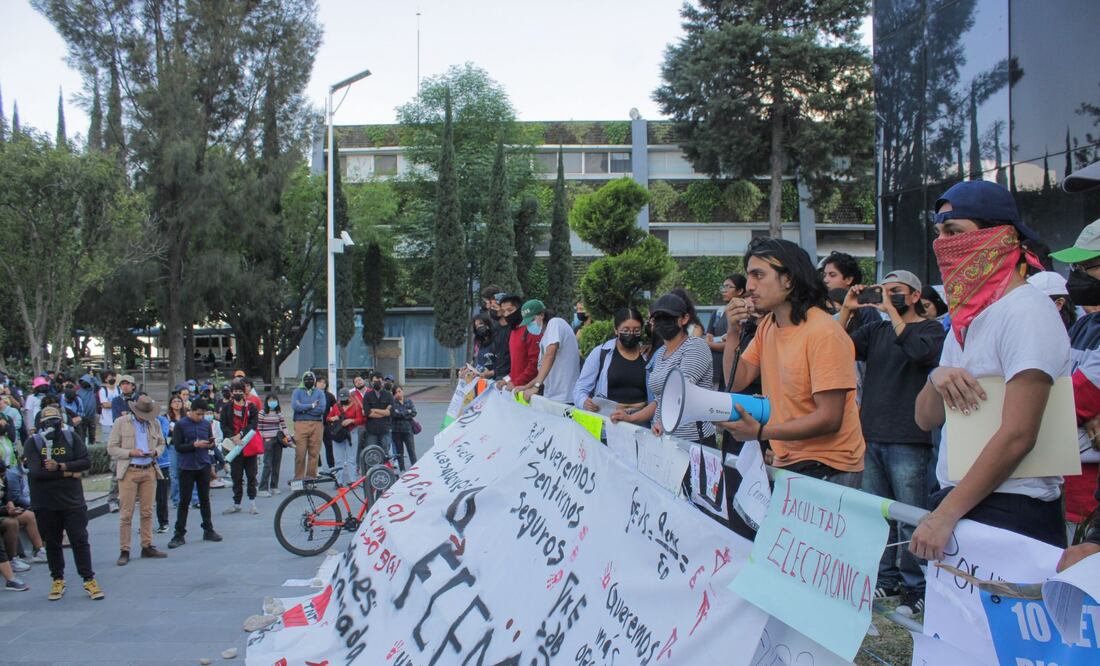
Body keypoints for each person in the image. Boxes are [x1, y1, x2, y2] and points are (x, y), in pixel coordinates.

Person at [911, 180, 1069, 563]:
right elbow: (925, 417)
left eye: (954, 232)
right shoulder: (965, 321)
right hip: (961, 498)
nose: (943, 245)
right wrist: (938, 376)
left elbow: (1018, 434)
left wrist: (945, 515)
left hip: (1012, 507)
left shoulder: (1026, 311)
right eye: (939, 234)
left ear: (1003, 237)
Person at [839, 270, 946, 616]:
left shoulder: (929, 329)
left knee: (911, 516)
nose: (887, 297)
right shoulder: (876, 330)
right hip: (871, 434)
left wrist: (894, 313)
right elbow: (835, 347)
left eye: (896, 292)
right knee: (877, 514)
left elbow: (919, 354)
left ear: (915, 296)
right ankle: (887, 578)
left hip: (909, 438)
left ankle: (918, 588)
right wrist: (847, 310)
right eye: (882, 292)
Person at [723, 237, 866, 488]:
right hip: (788, 460)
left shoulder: (824, 332)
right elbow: (736, 381)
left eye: (758, 275)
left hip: (829, 467)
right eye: (748, 276)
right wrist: (733, 331)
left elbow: (829, 418)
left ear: (788, 279)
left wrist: (760, 433)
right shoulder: (768, 325)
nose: (750, 286)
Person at [611, 293, 716, 445]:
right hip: (664, 439)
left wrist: (663, 422)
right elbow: (659, 401)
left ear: (684, 319)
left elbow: (683, 392)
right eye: (657, 319)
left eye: (668, 318)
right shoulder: (660, 353)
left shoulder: (695, 346)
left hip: (694, 441)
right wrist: (631, 418)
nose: (661, 323)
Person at [24, 405, 100, 597]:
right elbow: (36, 473)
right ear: (40, 423)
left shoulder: (70, 437)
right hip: (45, 503)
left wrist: (61, 467)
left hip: (72, 501)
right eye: (47, 422)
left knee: (80, 540)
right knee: (52, 542)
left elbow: (85, 462)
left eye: (55, 421)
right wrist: (70, 474)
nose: (52, 425)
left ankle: (89, 579)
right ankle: (57, 579)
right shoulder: (33, 443)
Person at [108, 395, 169, 565]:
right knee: (126, 513)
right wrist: (130, 453)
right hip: (129, 470)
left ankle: (147, 545)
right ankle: (124, 549)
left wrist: (155, 452)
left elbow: (162, 444)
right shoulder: (121, 422)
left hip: (149, 468)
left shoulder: (154, 423)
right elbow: (111, 448)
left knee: (147, 511)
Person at [168, 399, 222, 548]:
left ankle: (208, 529)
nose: (200, 417)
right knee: (184, 501)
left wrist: (210, 444)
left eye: (203, 414)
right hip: (187, 466)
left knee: (205, 499)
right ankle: (179, 534)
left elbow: (211, 442)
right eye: (198, 414)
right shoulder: (181, 425)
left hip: (203, 464)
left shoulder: (205, 424)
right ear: (191, 411)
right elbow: (178, 446)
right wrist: (194, 445)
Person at [574, 307, 649, 413]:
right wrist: (584, 402)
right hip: (609, 418)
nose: (631, 334)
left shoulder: (647, 355)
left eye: (636, 330)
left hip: (641, 420)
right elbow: (581, 387)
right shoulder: (601, 353)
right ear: (616, 330)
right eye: (625, 330)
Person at [514, 300, 582, 404]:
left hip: (565, 398)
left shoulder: (555, 323)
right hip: (552, 397)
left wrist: (536, 387)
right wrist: (527, 386)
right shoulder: (545, 338)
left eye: (531, 320)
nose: (529, 326)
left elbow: (550, 355)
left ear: (541, 315)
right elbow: (544, 371)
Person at [220, 380, 261, 515]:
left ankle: (253, 503)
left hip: (248, 444)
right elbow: (223, 425)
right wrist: (232, 437)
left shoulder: (251, 407)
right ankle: (236, 503)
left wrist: (241, 435)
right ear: (231, 393)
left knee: (251, 474)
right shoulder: (226, 408)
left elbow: (253, 424)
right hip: (234, 446)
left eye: (240, 391)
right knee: (236, 475)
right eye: (235, 391)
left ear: (245, 392)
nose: (238, 393)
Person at [821, 251, 881, 331]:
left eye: (832, 275)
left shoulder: (864, 307)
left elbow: (875, 337)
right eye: (824, 275)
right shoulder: (818, 304)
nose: (825, 280)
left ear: (849, 279)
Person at [706, 274, 747, 389]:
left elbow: (737, 344)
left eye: (729, 287)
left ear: (740, 291)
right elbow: (709, 335)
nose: (724, 290)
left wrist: (710, 344)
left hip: (733, 368)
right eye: (723, 286)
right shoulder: (718, 313)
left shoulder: (743, 313)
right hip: (715, 368)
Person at [499, 294, 541, 388]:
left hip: (529, 391)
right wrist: (506, 380)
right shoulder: (513, 331)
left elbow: (534, 364)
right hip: (515, 390)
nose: (506, 314)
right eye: (503, 311)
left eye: (510, 310)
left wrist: (517, 382)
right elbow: (516, 367)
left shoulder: (531, 329)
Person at [290, 371, 326, 481]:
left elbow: (321, 409)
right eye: (306, 379)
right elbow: (295, 406)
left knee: (314, 453)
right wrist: (311, 406)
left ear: (314, 381)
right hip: (300, 424)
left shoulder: (319, 393)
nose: (309, 381)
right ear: (303, 380)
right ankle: (298, 478)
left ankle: (311, 478)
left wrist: (304, 409)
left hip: (317, 424)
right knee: (300, 453)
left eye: (311, 379)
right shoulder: (297, 391)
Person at [326, 388, 362, 485]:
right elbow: (328, 418)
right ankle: (339, 481)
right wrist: (332, 418)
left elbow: (361, 419)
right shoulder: (336, 406)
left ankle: (352, 480)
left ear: (350, 397)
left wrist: (351, 420)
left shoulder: (356, 406)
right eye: (341, 399)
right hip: (338, 433)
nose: (343, 401)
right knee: (338, 459)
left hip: (351, 432)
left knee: (351, 458)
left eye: (345, 398)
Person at [258, 393, 291, 497]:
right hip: (267, 440)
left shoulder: (278, 413)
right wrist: (263, 439)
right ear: (267, 402)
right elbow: (258, 428)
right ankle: (262, 488)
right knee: (267, 464)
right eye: (270, 400)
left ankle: (274, 486)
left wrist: (289, 439)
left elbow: (284, 427)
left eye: (274, 400)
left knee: (276, 464)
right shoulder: (262, 413)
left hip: (277, 440)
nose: (272, 402)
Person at [361, 371, 394, 457]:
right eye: (375, 381)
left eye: (379, 381)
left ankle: (384, 469)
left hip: (385, 428)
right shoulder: (367, 396)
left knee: (385, 453)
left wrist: (375, 410)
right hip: (371, 430)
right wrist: (384, 412)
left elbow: (390, 412)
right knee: (372, 453)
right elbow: (367, 413)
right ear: (371, 383)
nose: (377, 383)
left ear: (383, 381)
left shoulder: (388, 395)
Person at [391, 386, 418, 472]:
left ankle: (415, 468)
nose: (399, 393)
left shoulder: (408, 401)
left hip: (408, 430)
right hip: (396, 431)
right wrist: (407, 412)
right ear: (394, 394)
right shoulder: (393, 403)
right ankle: (402, 469)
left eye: (400, 391)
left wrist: (401, 413)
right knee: (399, 452)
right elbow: (394, 415)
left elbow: (414, 412)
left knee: (411, 451)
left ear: (402, 391)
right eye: (396, 392)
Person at [316, 376, 337, 472]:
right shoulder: (312, 395)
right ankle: (318, 466)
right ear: (316, 383)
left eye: (324, 382)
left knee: (329, 446)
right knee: (315, 446)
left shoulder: (329, 396)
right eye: (320, 382)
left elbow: (337, 408)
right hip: (315, 424)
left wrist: (333, 417)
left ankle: (331, 466)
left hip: (327, 425)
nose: (322, 384)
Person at [75, 374, 98, 445]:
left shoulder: (92, 390)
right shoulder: (78, 392)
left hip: (92, 416)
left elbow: (98, 384)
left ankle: (93, 448)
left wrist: (92, 377)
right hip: (82, 416)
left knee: (92, 434)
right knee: (82, 434)